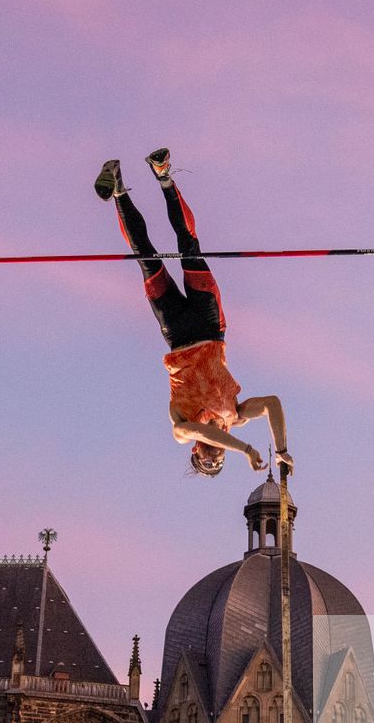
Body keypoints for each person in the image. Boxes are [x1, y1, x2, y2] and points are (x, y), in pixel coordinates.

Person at [96, 150, 290, 479]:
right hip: (210, 324)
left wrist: (242, 448)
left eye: (207, 461)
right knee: (189, 246)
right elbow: (272, 402)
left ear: (195, 451)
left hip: (176, 332)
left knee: (146, 257)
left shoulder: (182, 430)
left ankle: (117, 188)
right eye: (220, 462)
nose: (216, 457)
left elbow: (205, 433)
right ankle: (163, 175)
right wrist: (282, 450)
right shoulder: (236, 416)